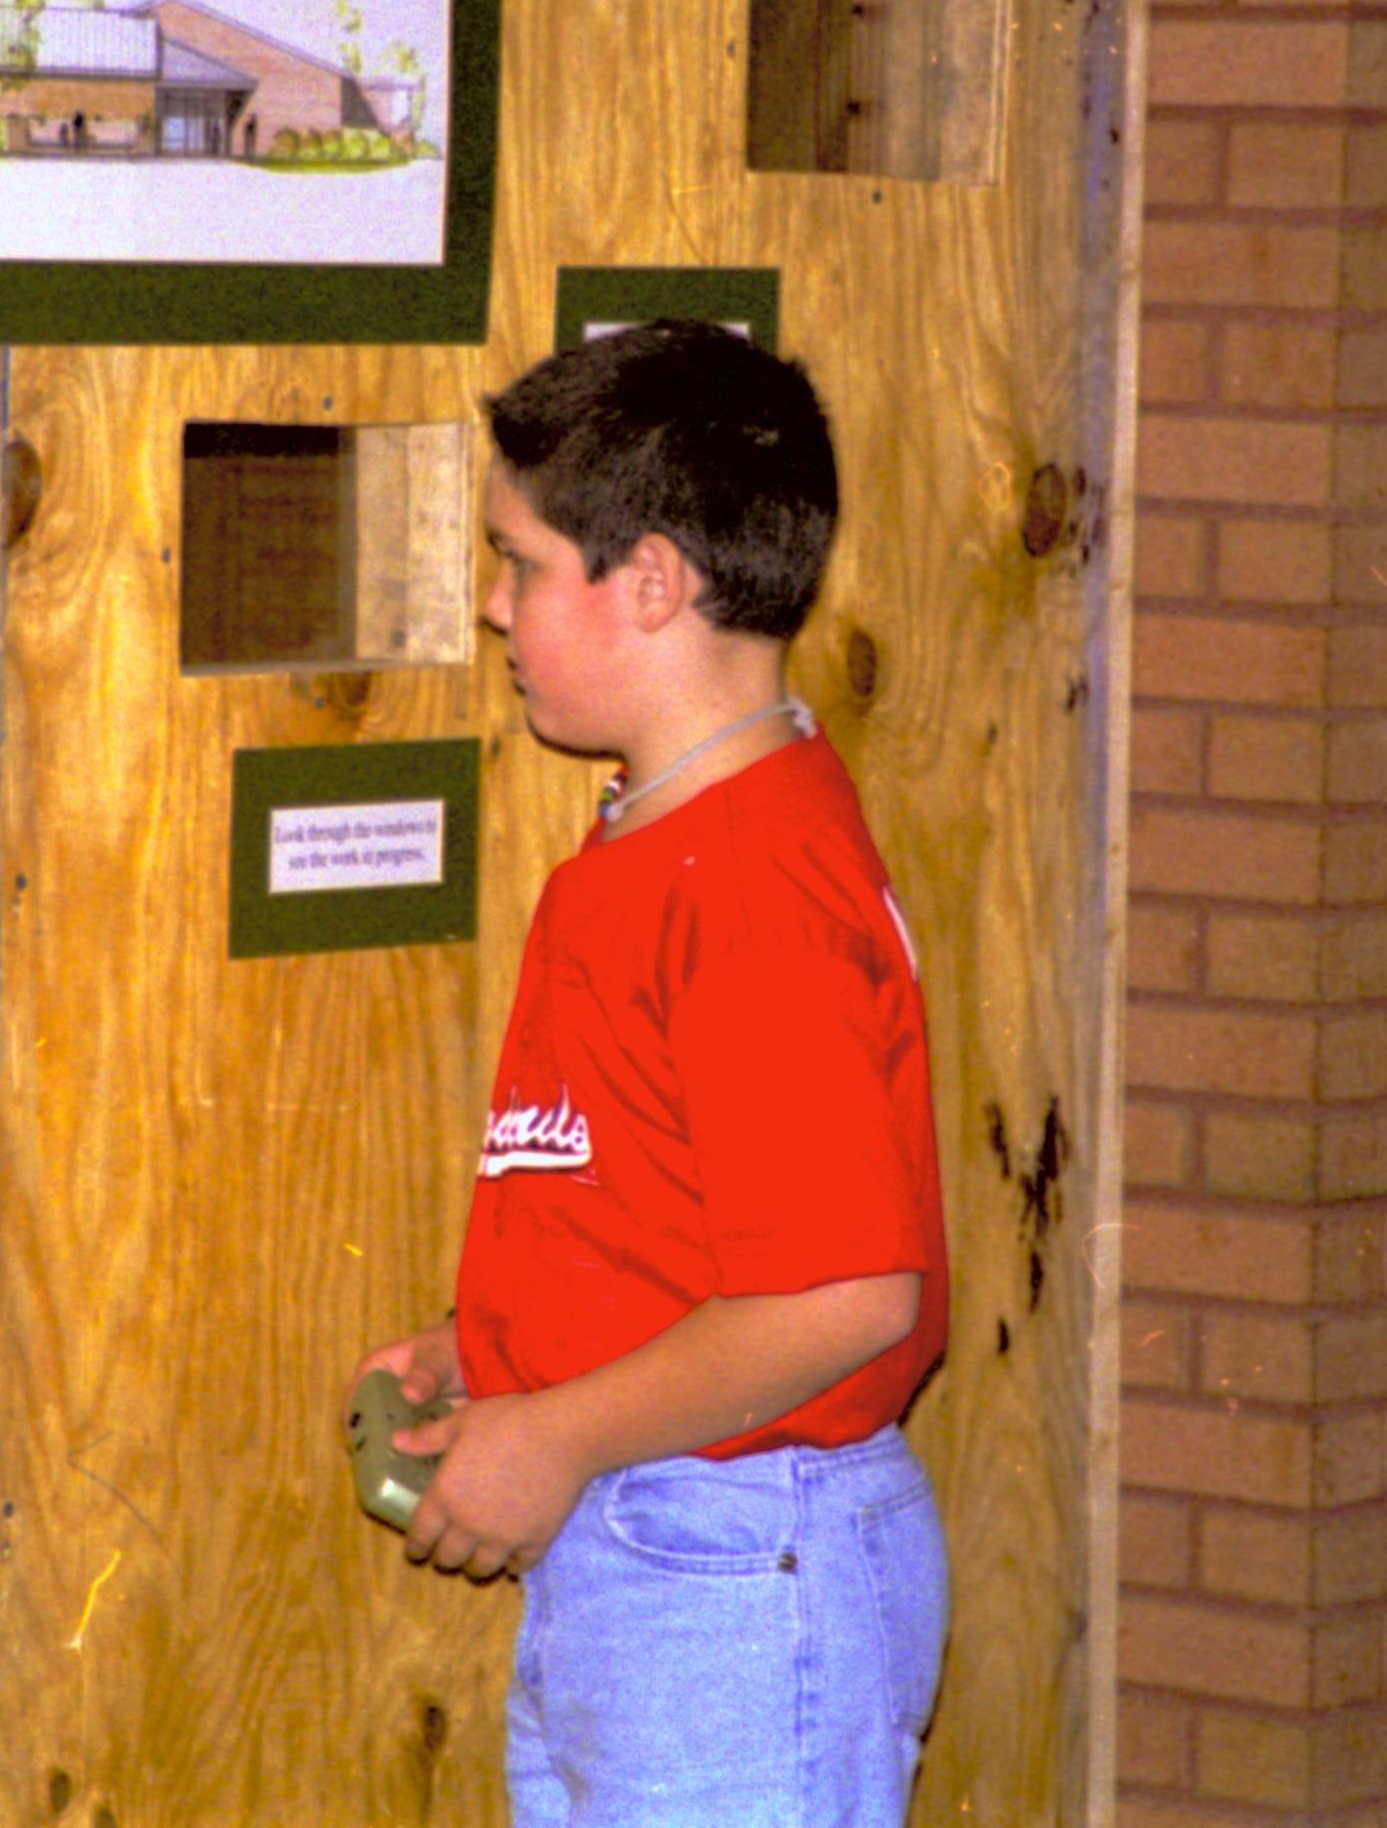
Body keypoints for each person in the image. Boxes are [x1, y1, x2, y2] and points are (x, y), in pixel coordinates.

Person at [351, 319, 952, 1826]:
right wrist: (496, 1342)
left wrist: (553, 1431)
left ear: (657, 581)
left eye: (523, 563)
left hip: (740, 1565)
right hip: (657, 1546)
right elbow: (679, 1216)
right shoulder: (660, 838)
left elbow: (844, 1292)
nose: (494, 609)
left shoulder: (749, 886)